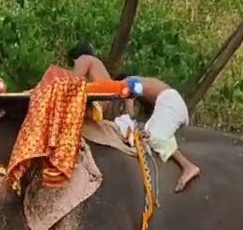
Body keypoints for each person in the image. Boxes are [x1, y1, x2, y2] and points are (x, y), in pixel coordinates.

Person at [66, 42, 201, 192]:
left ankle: (188, 166)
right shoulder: (116, 85)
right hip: (171, 104)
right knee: (145, 131)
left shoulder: (126, 83)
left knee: (152, 135)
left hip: (171, 102)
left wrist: (130, 121)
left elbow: (129, 106)